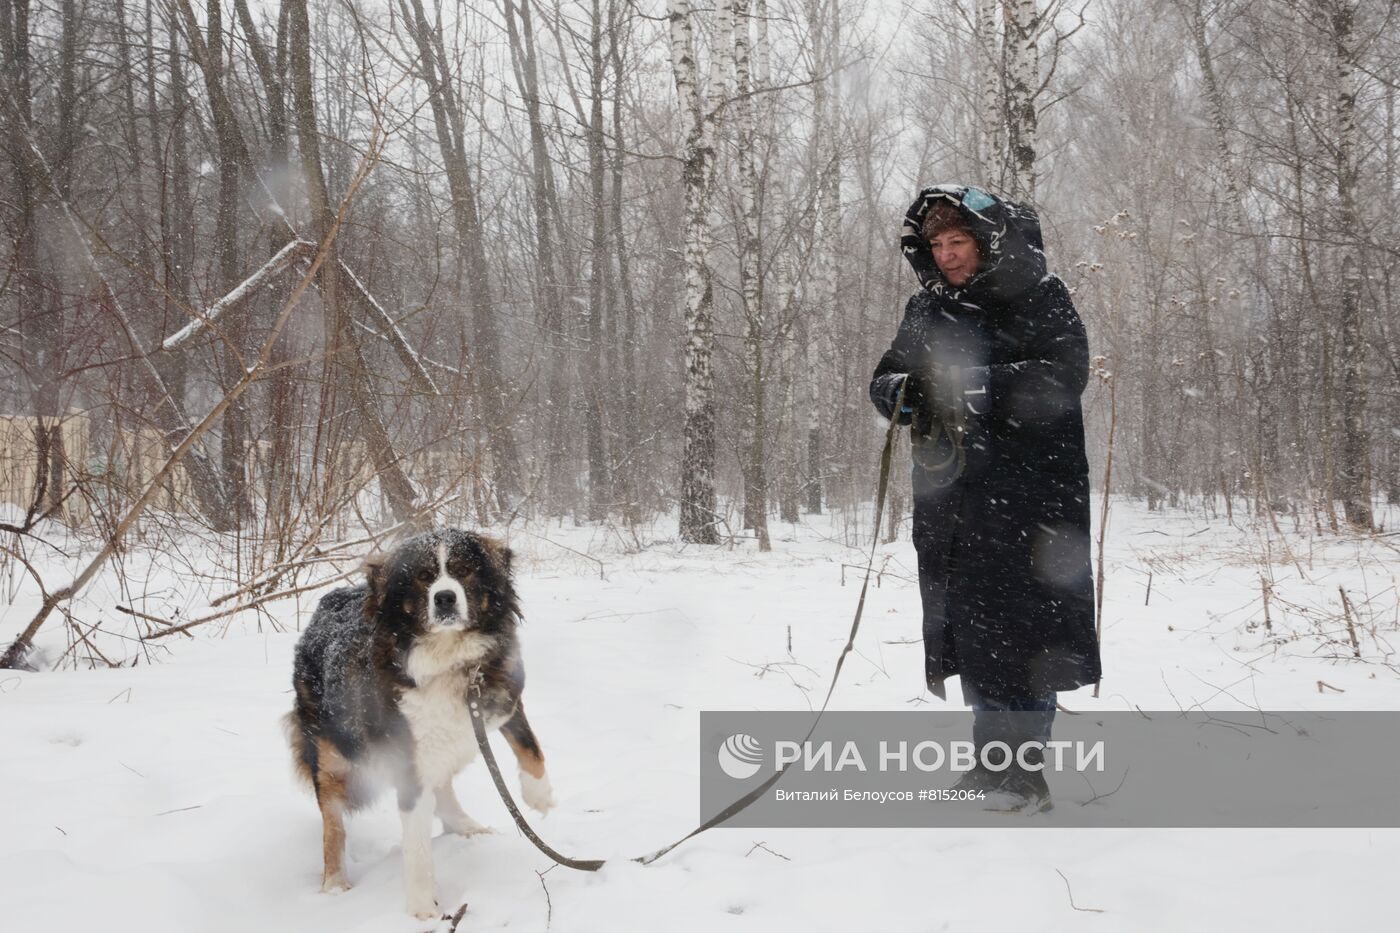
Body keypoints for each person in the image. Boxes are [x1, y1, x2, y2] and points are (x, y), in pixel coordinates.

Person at [869, 184, 1101, 813]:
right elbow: (886, 376)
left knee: (1028, 638)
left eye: (958, 241)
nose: (946, 255)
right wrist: (903, 393)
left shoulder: (1041, 297)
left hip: (1031, 502)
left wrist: (974, 385)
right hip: (953, 503)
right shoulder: (927, 310)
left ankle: (1024, 773)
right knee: (971, 635)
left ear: (989, 240)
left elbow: (1063, 374)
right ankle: (988, 764)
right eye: (937, 244)